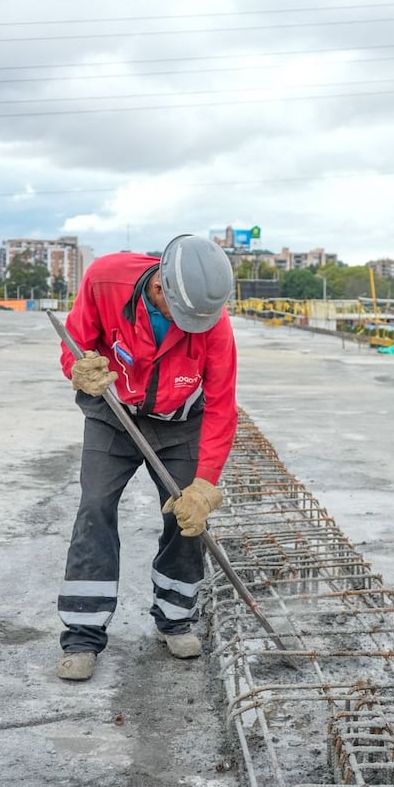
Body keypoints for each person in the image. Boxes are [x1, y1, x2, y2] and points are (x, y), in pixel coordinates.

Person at [54, 234, 237, 682]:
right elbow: (76, 343)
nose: (193, 327)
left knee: (186, 518)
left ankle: (175, 618)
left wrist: (205, 484)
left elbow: (221, 405)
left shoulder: (213, 324)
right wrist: (77, 368)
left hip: (180, 425)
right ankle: (82, 634)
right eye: (184, 318)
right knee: (95, 507)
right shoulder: (105, 279)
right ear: (159, 289)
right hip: (112, 414)